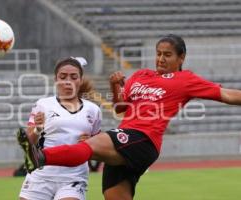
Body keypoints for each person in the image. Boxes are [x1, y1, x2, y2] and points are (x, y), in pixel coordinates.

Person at [22, 34, 241, 200]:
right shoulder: (140, 75)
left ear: (181, 57)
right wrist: (115, 86)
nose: (161, 59)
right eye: (158, 53)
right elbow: (120, 108)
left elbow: (227, 94)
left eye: (168, 54)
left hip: (143, 138)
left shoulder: (186, 79)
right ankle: (41, 157)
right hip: (126, 137)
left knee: (91, 144)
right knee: (112, 195)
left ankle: (40, 157)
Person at [17, 57, 102, 200]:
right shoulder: (43, 104)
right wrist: (38, 129)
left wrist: (91, 142)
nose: (68, 81)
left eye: (74, 77)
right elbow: (28, 143)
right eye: (63, 77)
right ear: (56, 79)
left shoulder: (93, 110)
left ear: (80, 80)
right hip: (41, 175)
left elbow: (99, 146)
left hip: (74, 177)